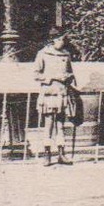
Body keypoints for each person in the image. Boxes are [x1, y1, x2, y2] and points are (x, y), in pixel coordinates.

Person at [33, 26, 80, 166]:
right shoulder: (43, 54)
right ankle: (47, 154)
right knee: (48, 124)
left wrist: (68, 77)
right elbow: (36, 74)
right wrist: (52, 77)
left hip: (62, 93)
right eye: (59, 39)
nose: (62, 42)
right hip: (49, 93)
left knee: (61, 124)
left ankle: (61, 153)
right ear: (52, 40)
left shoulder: (66, 54)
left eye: (63, 39)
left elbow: (70, 72)